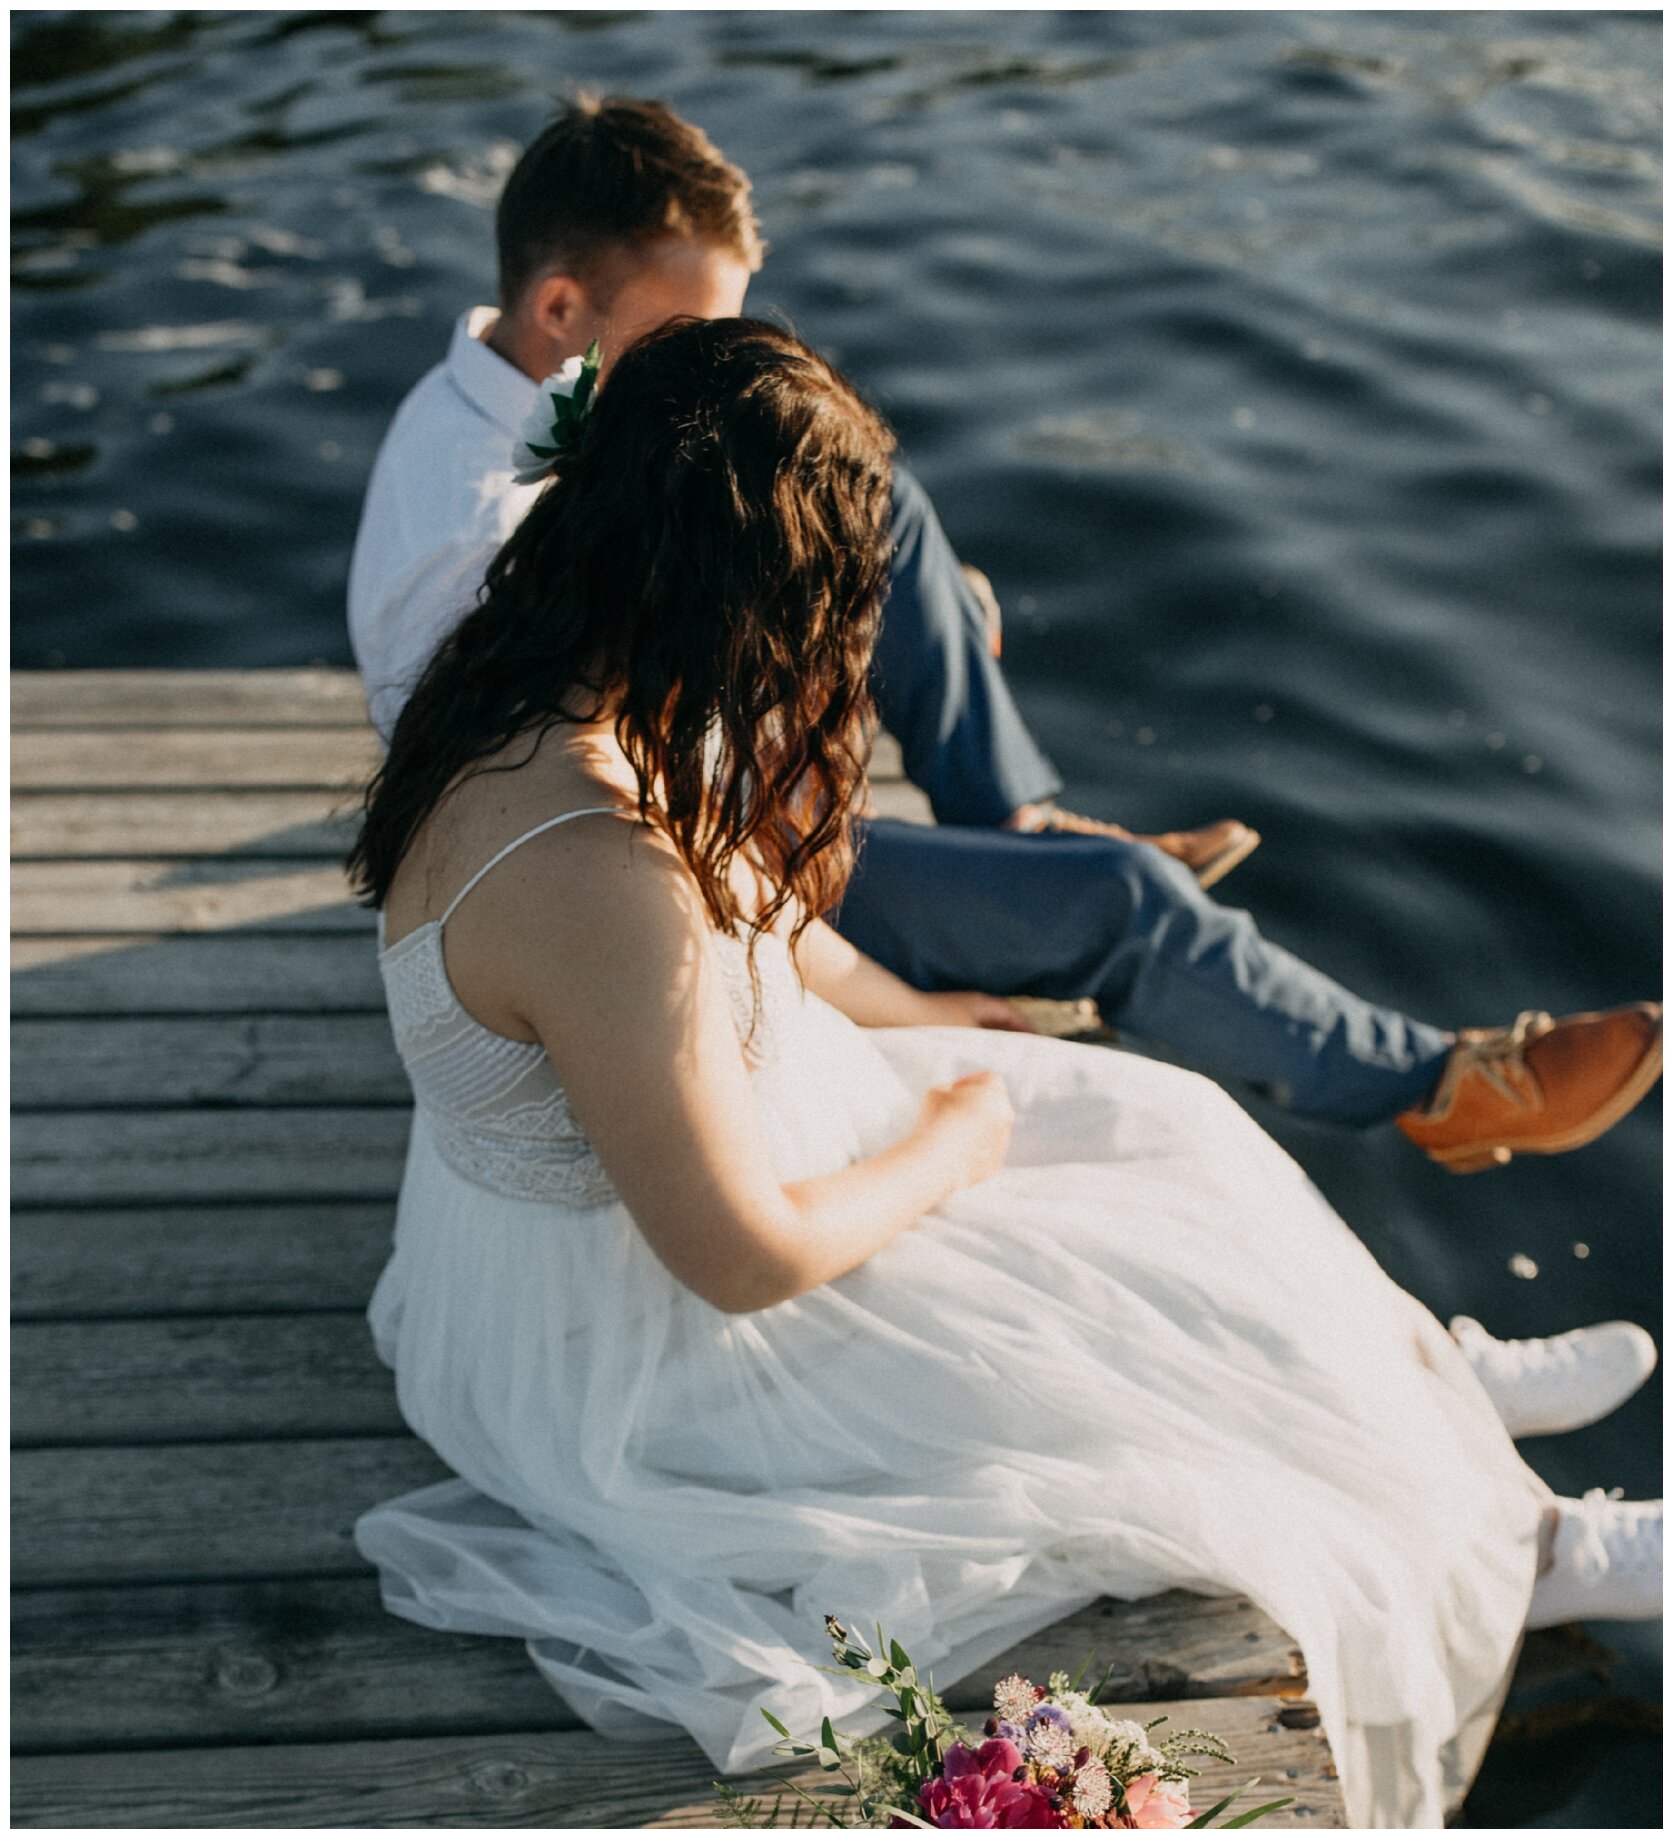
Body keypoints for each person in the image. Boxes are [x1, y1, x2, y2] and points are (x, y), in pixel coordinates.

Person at [348, 317, 1660, 1829]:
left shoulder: (544, 672)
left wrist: (929, 1022)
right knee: (1092, 1331)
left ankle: (1416, 1380)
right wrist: (945, 1138)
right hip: (651, 1334)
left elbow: (762, 918)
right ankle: (1525, 1548)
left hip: (710, 1141)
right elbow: (738, 1255)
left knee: (1161, 1133)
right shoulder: (582, 869)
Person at [348, 93, 1661, 1175]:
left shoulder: (491, 389)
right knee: (1125, 908)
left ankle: (1011, 827)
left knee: (885, 511)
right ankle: (1435, 1090)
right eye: (698, 331)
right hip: (680, 840)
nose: (730, 353)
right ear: (565, 309)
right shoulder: (476, 541)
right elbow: (596, 803)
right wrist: (803, 658)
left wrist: (834, 588)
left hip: (670, 750)